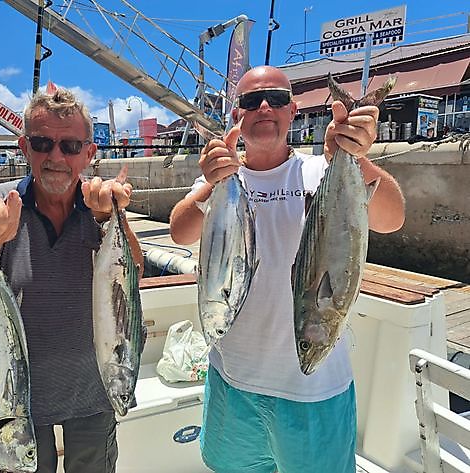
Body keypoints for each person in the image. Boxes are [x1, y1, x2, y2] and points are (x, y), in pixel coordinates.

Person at [169, 66, 405, 473]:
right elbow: (179, 230)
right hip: (232, 383)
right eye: (251, 101)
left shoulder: (320, 171)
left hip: (313, 393)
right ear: (237, 115)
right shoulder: (221, 182)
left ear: (293, 111)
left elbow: (392, 218)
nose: (264, 107)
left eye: (277, 99)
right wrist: (211, 180)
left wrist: (356, 156)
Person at [0, 87, 143, 473]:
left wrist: (111, 218)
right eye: (42, 143)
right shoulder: (2, 204)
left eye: (70, 146)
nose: (56, 157)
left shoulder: (99, 204)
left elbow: (132, 276)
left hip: (94, 391)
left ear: (89, 153)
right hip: (15, 400)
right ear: (25, 147)